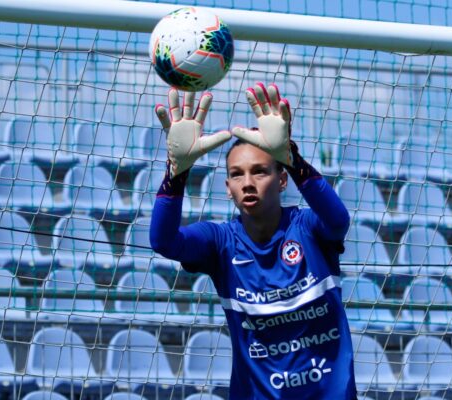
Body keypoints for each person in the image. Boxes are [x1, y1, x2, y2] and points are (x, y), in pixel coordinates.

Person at [150, 83, 355, 399]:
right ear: (227, 186)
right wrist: (176, 172)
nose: (247, 183)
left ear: (282, 179)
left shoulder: (308, 227)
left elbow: (338, 219)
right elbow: (164, 241)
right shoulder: (220, 241)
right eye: (237, 174)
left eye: (260, 171)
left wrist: (292, 158)